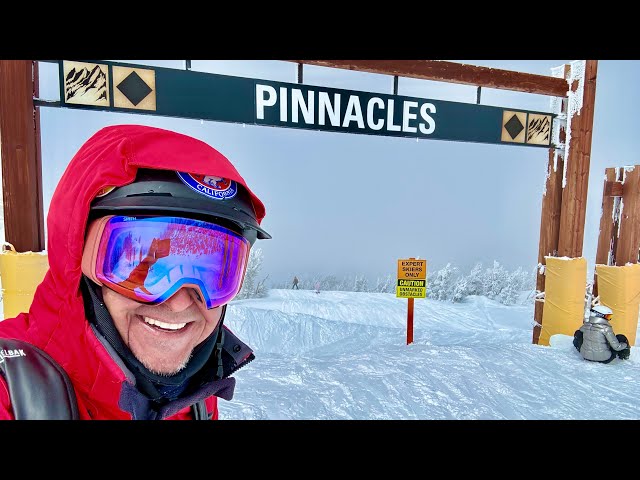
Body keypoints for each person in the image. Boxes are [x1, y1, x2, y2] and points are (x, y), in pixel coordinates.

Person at [0, 124, 271, 420]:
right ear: (76, 255)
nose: (180, 302)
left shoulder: (194, 398)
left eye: (210, 272)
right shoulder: (11, 391)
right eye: (138, 264)